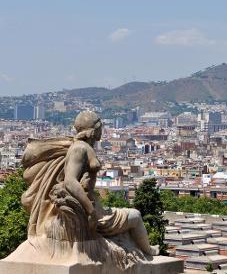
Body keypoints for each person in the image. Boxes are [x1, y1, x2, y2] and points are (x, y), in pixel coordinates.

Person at [21, 110, 158, 259]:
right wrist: (91, 211)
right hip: (92, 210)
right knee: (135, 216)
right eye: (100, 127)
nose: (102, 130)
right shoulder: (79, 149)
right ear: (93, 130)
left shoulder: (82, 147)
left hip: (93, 205)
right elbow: (70, 181)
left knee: (132, 215)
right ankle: (149, 252)